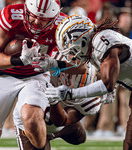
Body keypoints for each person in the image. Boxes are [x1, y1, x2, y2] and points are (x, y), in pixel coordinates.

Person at [0, 0, 74, 149]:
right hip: (2, 76)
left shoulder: (63, 25)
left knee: (31, 117)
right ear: (26, 9)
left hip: (35, 76)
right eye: (33, 16)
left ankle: (45, 137)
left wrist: (54, 63)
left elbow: (80, 65)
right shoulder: (11, 16)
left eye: (44, 18)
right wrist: (18, 60)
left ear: (54, 17)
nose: (37, 21)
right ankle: (53, 132)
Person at [44, 15, 132, 150]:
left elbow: (107, 84)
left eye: (72, 50)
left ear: (81, 39)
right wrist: (116, 84)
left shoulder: (101, 41)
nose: (73, 56)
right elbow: (122, 68)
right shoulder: (96, 47)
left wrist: (69, 93)